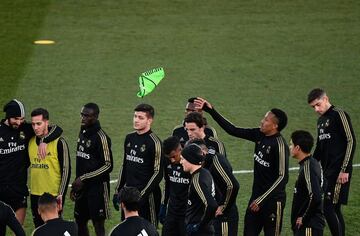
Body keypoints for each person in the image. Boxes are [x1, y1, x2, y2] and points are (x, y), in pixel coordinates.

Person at [195, 97, 289, 236]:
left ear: (275, 126)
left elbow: (282, 177)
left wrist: (262, 199)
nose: (262, 121)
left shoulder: (280, 146)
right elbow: (232, 130)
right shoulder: (259, 134)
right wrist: (210, 110)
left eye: (266, 120)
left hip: (273, 202)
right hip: (255, 198)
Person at [0, 99, 62, 226]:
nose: (19, 122)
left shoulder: (26, 129)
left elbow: (56, 129)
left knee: (18, 231)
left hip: (19, 190)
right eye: (16, 118)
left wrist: (45, 140)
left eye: (22, 118)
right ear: (8, 117)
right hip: (1, 189)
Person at [307, 88, 356, 236]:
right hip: (327, 172)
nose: (316, 109)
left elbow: (351, 141)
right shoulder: (321, 121)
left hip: (339, 171)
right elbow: (320, 148)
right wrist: (309, 165)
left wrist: (345, 169)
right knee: (333, 208)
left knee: (329, 207)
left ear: (326, 99)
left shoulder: (339, 115)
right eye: (313, 107)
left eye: (318, 104)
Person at [114, 104, 164, 227]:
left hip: (148, 197)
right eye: (135, 116)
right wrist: (117, 191)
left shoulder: (155, 142)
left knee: (148, 229)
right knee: (127, 229)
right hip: (128, 195)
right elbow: (125, 166)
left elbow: (158, 173)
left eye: (141, 117)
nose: (136, 120)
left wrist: (142, 195)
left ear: (149, 120)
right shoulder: (129, 138)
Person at [70, 103, 113, 236]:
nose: (83, 118)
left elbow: (108, 165)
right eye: (82, 114)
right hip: (82, 188)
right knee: (80, 220)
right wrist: (75, 185)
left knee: (98, 224)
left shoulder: (102, 137)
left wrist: (83, 178)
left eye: (87, 116)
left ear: (95, 117)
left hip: (97, 189)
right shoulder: (82, 131)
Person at [29, 108, 71, 228]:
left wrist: (61, 194)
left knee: (54, 229)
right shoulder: (31, 141)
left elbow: (66, 170)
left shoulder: (59, 142)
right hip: (35, 195)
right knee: (38, 228)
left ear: (47, 122)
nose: (35, 127)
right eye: (33, 124)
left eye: (39, 123)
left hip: (53, 195)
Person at [188, 138, 239, 236]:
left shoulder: (216, 162)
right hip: (213, 214)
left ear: (202, 152)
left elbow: (233, 185)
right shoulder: (205, 162)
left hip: (224, 217)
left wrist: (223, 207)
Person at [290, 130, 325, 236]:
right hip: (308, 225)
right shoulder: (311, 163)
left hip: (308, 226)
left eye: (291, 144)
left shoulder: (308, 167)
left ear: (297, 148)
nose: (290, 147)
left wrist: (304, 218)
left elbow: (315, 196)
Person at [180, 144, 218, 236]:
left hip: (197, 229)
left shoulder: (197, 180)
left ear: (190, 159)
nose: (181, 162)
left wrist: (201, 226)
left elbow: (212, 205)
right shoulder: (205, 172)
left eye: (182, 159)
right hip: (205, 228)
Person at [160, 136, 191, 236]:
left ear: (180, 149)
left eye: (174, 156)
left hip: (187, 213)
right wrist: (163, 205)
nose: (172, 160)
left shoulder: (190, 161)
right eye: (169, 157)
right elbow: (167, 183)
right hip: (172, 211)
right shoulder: (166, 160)